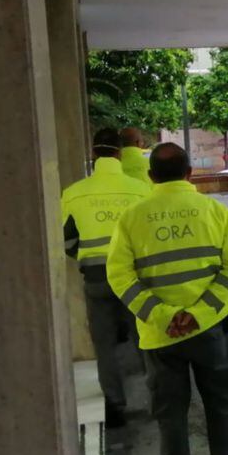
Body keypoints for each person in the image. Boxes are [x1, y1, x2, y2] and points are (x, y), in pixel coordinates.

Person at [106, 143, 228, 455]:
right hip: (210, 333)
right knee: (221, 408)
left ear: (152, 176)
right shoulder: (214, 211)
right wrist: (201, 313)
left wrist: (161, 315)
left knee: (170, 417)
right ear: (189, 174)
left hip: (159, 338)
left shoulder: (132, 217)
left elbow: (119, 274)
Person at [61, 128, 152, 428]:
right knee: (144, 339)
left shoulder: (74, 192)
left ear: (93, 153)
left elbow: (67, 241)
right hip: (134, 276)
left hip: (96, 277)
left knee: (104, 344)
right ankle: (156, 398)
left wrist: (88, 257)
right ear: (120, 152)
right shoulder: (140, 189)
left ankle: (114, 404)